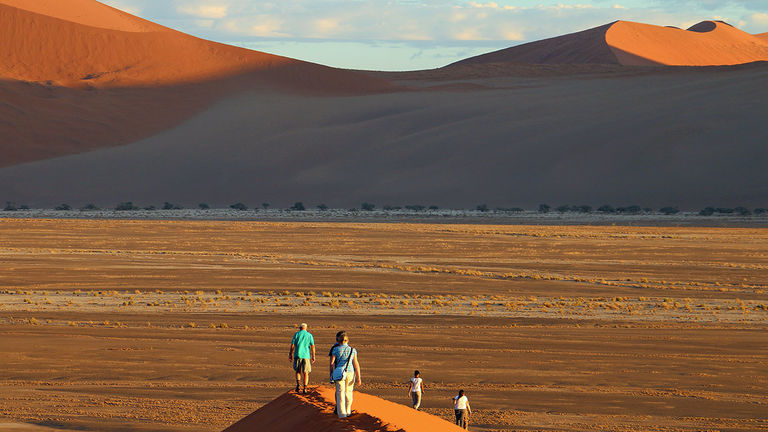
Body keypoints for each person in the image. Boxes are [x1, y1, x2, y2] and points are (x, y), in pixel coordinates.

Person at [329, 331, 361, 418]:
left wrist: (331, 374)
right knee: (349, 393)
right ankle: (348, 411)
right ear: (347, 340)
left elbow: (332, 363)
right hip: (350, 372)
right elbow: (356, 364)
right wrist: (358, 377)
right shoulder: (353, 350)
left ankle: (342, 414)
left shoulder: (335, 350)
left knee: (340, 393)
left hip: (339, 372)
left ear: (338, 341)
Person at [288, 322, 315, 394]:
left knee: (298, 371)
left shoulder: (296, 334)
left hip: (297, 355)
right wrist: (313, 356)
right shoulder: (309, 335)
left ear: (300, 328)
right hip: (306, 356)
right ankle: (305, 387)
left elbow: (292, 345)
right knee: (306, 372)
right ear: (306, 328)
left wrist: (290, 354)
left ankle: (298, 385)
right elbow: (313, 346)